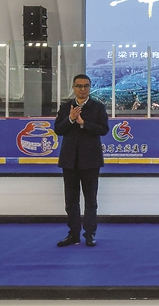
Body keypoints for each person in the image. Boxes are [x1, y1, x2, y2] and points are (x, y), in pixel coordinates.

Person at [54, 74, 109, 247]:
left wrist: (84, 123)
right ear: (73, 88)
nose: (82, 89)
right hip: (69, 161)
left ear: (90, 88)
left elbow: (104, 129)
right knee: (71, 201)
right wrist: (70, 119)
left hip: (91, 161)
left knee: (90, 201)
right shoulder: (66, 107)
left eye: (86, 86)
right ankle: (73, 234)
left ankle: (90, 234)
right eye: (79, 86)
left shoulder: (98, 107)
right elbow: (58, 129)